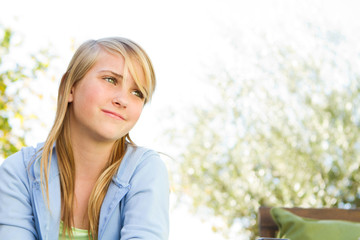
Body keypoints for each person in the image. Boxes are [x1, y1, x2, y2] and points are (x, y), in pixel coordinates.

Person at [0, 37, 169, 240]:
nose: (123, 100)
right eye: (110, 80)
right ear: (70, 87)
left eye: (137, 93)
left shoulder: (146, 170)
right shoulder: (18, 172)